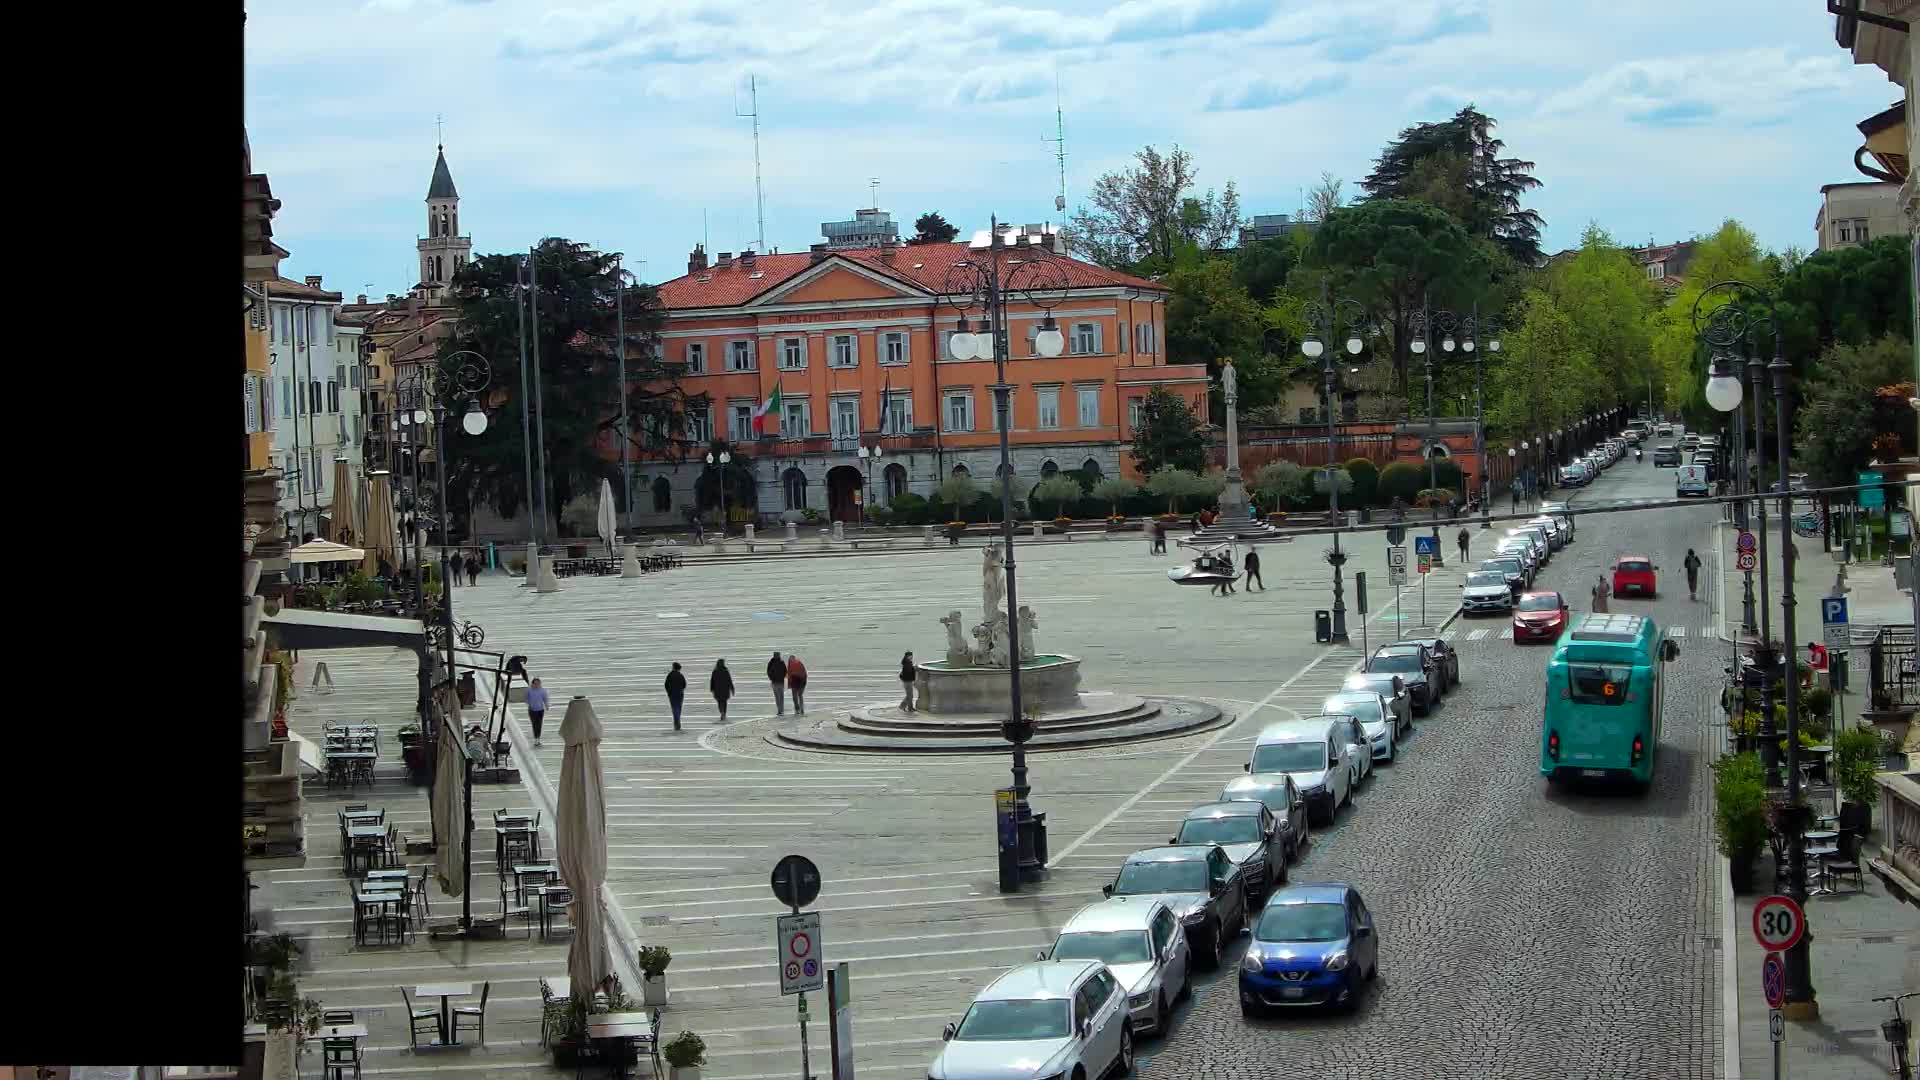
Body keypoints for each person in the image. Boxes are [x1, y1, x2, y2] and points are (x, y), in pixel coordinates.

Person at [525, 677, 550, 745]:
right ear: (532, 684)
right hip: (532, 710)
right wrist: (530, 704)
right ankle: (536, 738)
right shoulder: (529, 690)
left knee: (539, 724)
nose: (536, 685)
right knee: (534, 724)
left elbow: (545, 699)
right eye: (535, 684)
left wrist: (547, 706)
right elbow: (526, 699)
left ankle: (538, 738)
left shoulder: (543, 691)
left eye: (538, 684)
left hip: (540, 710)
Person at [664, 662, 687, 731]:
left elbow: (666, 685)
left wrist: (669, 692)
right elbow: (684, 684)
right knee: (679, 708)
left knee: (674, 708)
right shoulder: (680, 675)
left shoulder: (670, 675)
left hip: (672, 695)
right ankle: (677, 722)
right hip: (680, 694)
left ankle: (676, 723)